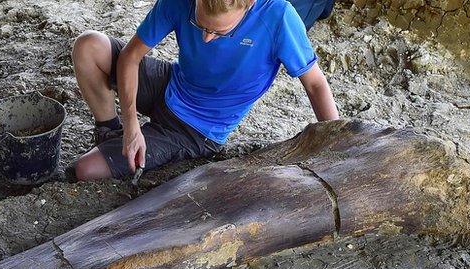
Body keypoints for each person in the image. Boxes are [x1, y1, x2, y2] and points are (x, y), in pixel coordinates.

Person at [67, 0, 339, 182]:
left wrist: (338, 145)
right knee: (89, 45)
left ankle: (123, 148)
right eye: (200, 26)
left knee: (84, 170)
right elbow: (130, 57)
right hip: (172, 83)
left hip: (197, 129)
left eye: (219, 32)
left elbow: (315, 84)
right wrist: (130, 125)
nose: (206, 38)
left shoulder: (278, 17)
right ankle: (108, 130)